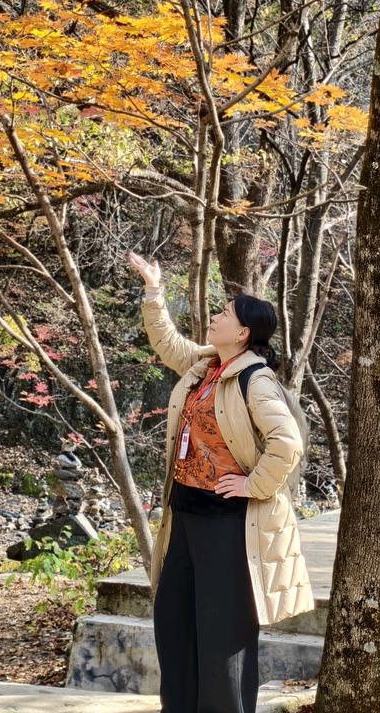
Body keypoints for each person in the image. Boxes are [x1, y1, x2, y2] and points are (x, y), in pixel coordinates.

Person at [127, 251, 313, 713]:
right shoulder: (206, 365)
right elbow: (167, 343)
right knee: (175, 625)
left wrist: (252, 486)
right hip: (186, 515)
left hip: (229, 524)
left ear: (244, 332)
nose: (214, 317)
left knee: (221, 637)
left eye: (224, 314)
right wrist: (154, 290)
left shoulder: (255, 380)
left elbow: (287, 443)